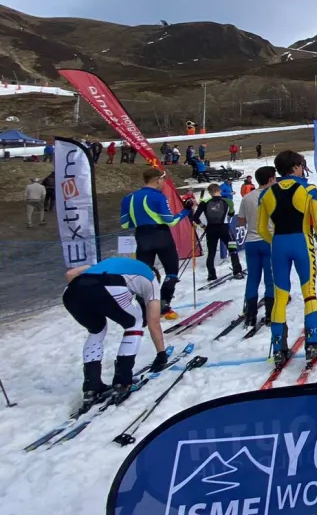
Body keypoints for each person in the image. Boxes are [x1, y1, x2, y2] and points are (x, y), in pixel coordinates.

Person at [62, 257, 169, 408]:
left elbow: (70, 274)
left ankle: (92, 387)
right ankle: (122, 381)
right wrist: (161, 354)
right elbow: (154, 322)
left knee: (96, 330)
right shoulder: (151, 280)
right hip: (108, 285)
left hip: (72, 292)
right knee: (134, 323)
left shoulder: (110, 264)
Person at [256, 150, 317, 366]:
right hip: (301, 241)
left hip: (278, 243)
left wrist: (274, 241)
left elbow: (260, 229)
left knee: (280, 296)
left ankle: (278, 348)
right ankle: (312, 343)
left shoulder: (266, 194)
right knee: (309, 293)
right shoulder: (309, 189)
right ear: (296, 166)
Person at [121, 168, 191, 319]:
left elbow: (125, 224)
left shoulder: (128, 198)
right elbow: (170, 221)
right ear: (157, 180)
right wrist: (185, 212)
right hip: (161, 237)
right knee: (171, 272)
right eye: (163, 180)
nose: (163, 183)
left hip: (142, 237)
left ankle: (146, 309)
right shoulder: (159, 197)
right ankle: (164, 305)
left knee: (144, 275)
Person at [238, 166, 277, 328]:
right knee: (270, 278)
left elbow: (241, 221)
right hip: (269, 240)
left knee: (253, 278)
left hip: (251, 241)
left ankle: (251, 314)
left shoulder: (247, 198)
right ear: (270, 179)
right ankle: (269, 314)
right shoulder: (274, 195)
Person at [192, 183, 244, 282]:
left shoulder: (205, 202)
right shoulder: (227, 201)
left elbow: (195, 217)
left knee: (211, 252)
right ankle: (237, 271)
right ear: (219, 190)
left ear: (210, 192)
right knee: (233, 250)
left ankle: (211, 275)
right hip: (224, 229)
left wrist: (203, 226)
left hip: (210, 229)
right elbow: (231, 214)